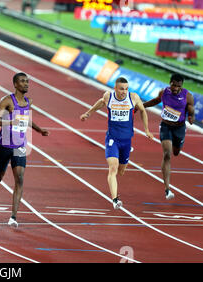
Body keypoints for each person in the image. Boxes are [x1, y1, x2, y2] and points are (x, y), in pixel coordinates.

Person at [0, 73, 49, 228]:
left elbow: (26, 119)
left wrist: (39, 130)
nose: (26, 84)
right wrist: (10, 121)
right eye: (22, 81)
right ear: (15, 84)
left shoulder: (28, 102)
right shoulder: (6, 100)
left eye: (27, 81)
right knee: (0, 177)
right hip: (5, 145)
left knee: (19, 179)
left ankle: (13, 217)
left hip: (20, 146)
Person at [80, 77, 154, 209]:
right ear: (115, 88)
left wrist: (147, 130)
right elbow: (101, 102)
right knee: (113, 168)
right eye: (121, 89)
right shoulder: (109, 96)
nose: (124, 92)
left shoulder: (133, 98)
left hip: (126, 141)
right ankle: (115, 200)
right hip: (112, 139)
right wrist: (88, 113)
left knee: (121, 171)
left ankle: (126, 154)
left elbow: (142, 110)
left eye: (126, 89)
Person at [141, 73, 195, 200]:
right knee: (167, 154)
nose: (175, 88)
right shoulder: (164, 92)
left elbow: (191, 111)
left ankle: (177, 146)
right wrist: (141, 106)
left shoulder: (188, 96)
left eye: (178, 86)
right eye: (173, 85)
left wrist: (191, 117)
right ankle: (167, 189)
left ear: (181, 86)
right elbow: (155, 100)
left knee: (176, 152)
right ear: (169, 83)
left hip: (179, 128)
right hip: (165, 126)